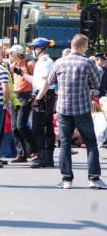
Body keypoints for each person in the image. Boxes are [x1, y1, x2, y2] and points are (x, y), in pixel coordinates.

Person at [45, 34, 106, 189]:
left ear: (72, 45)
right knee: (91, 142)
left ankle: (66, 179)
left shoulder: (59, 62)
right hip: (82, 108)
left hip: (63, 109)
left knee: (65, 143)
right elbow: (97, 83)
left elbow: (50, 81)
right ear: (83, 46)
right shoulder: (87, 63)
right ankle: (93, 178)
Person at [25, 38, 56, 168]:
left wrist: (38, 98)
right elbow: (37, 81)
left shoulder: (44, 62)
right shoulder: (43, 62)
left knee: (39, 127)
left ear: (39, 49)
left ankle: (43, 158)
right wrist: (22, 73)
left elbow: (45, 83)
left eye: (34, 48)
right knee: (47, 126)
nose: (32, 51)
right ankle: (47, 158)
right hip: (45, 94)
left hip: (43, 95)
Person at [8, 44, 37, 163]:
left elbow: (36, 79)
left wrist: (33, 96)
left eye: (11, 53)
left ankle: (35, 150)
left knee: (21, 125)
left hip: (26, 96)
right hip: (16, 96)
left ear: (17, 54)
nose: (10, 55)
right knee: (14, 127)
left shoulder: (28, 64)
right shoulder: (13, 66)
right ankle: (21, 154)